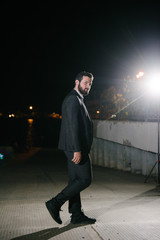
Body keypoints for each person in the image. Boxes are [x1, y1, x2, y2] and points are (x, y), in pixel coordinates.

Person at [45, 71, 96, 225]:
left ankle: (76, 214)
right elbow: (72, 127)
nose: (88, 86)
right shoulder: (72, 99)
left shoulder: (78, 99)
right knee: (85, 179)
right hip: (75, 148)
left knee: (75, 180)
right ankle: (55, 202)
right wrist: (77, 149)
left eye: (90, 84)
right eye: (85, 83)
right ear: (77, 82)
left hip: (75, 147)